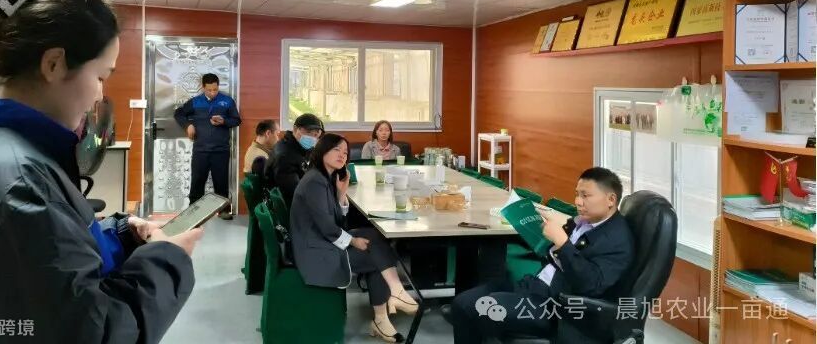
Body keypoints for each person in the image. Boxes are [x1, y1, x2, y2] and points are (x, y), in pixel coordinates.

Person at [0, 0, 202, 342]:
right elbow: (92, 333)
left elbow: (42, 259)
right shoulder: (17, 185)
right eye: (100, 76)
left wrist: (120, 236)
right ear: (53, 64)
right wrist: (167, 259)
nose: (100, 95)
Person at [449, 167, 634, 343]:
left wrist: (562, 243)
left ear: (611, 199)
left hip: (556, 306)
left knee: (472, 308)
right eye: (577, 194)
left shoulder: (617, 238)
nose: (578, 201)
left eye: (585, 196)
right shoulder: (587, 222)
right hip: (536, 286)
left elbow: (591, 285)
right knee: (461, 302)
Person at [290, 134, 419, 343]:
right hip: (315, 252)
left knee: (374, 236)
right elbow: (327, 227)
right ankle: (386, 310)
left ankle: (393, 298)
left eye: (345, 152)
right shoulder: (315, 181)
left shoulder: (324, 177)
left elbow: (336, 221)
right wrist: (352, 241)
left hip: (321, 241)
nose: (342, 155)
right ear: (322, 151)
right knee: (376, 259)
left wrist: (341, 195)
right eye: (336, 150)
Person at [174, 73, 241, 215]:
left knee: (221, 183)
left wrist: (224, 121)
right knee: (197, 182)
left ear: (218, 86)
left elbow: (236, 120)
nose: (213, 93)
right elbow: (179, 114)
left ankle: (224, 211)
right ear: (203, 87)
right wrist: (188, 126)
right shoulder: (195, 102)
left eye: (215, 89)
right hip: (200, 150)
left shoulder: (227, 101)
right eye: (209, 90)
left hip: (221, 150)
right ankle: (193, 212)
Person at [265, 113, 324, 204]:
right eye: (309, 132)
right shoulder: (285, 156)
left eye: (316, 135)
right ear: (295, 129)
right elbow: (295, 193)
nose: (312, 138)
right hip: (288, 205)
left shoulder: (293, 146)